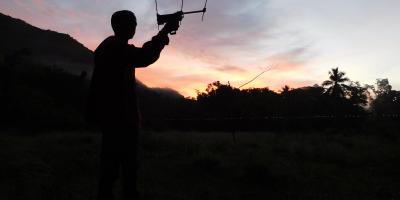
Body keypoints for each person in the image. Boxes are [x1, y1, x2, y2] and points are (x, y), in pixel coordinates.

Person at [87, 10, 179, 200]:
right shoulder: (114, 48)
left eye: (135, 23)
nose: (135, 26)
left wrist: (164, 32)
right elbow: (145, 56)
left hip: (116, 117)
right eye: (132, 23)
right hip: (119, 118)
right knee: (123, 168)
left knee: (114, 167)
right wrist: (164, 33)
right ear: (120, 25)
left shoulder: (112, 47)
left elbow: (141, 56)